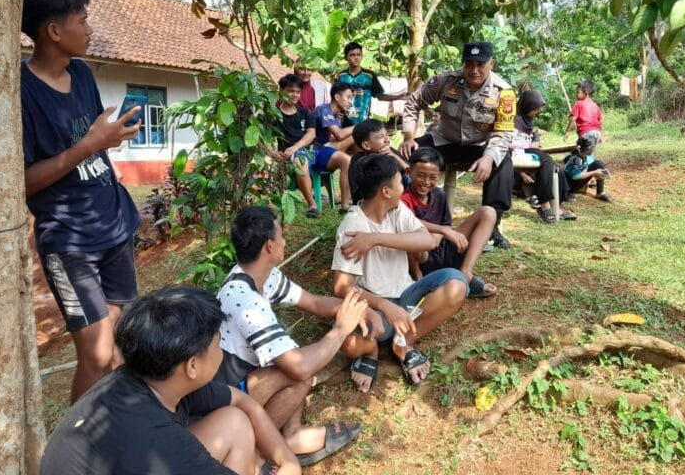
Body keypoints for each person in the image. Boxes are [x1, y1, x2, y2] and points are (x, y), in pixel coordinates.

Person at [21, 0, 142, 402]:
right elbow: (23, 181)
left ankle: (113, 426)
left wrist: (105, 141)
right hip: (70, 240)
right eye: (83, 20)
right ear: (54, 31)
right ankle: (77, 438)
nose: (90, 29)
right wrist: (89, 145)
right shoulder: (21, 91)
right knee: (97, 354)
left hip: (114, 223)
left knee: (114, 342)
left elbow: (93, 140)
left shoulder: (83, 74)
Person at [40, 286, 301, 475]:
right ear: (192, 366)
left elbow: (242, 400)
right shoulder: (163, 445)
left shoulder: (155, 375)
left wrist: (288, 461)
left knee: (234, 422)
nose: (221, 351)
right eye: (218, 344)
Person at [215, 206, 370, 466]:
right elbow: (300, 368)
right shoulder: (244, 299)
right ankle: (257, 454)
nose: (285, 242)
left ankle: (291, 434)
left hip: (246, 382)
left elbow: (314, 303)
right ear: (269, 246)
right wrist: (341, 329)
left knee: (294, 357)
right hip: (226, 401)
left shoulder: (262, 276)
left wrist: (357, 307)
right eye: (281, 236)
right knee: (299, 370)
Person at [332, 155, 468, 393]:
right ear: (386, 191)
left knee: (456, 283)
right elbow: (342, 287)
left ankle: (403, 343)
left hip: (407, 295)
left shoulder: (397, 210)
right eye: (400, 183)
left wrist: (376, 239)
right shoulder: (352, 227)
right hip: (375, 309)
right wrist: (384, 305)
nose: (404, 188)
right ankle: (371, 351)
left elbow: (427, 241)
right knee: (348, 343)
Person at [398, 41, 516, 249]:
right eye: (469, 64)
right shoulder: (446, 80)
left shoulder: (504, 92)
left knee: (502, 162)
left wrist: (489, 157)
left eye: (480, 65)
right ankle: (403, 213)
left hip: (480, 146)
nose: (474, 70)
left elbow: (503, 133)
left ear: (491, 64)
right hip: (444, 140)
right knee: (405, 156)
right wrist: (409, 136)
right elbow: (413, 102)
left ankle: (492, 225)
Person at [401, 147, 498, 297]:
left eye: (432, 177)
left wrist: (440, 234)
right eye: (421, 175)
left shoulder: (438, 194)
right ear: (409, 172)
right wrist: (442, 231)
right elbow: (406, 221)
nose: (426, 182)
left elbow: (446, 224)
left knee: (488, 212)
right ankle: (418, 279)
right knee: (413, 238)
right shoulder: (403, 198)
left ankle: (465, 272)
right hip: (421, 257)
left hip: (442, 247)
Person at [512, 89, 576, 222]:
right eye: (535, 109)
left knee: (557, 169)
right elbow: (509, 143)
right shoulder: (515, 121)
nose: (537, 112)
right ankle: (545, 206)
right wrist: (529, 145)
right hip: (518, 153)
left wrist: (535, 140)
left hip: (528, 151)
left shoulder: (528, 121)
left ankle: (556, 207)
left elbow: (529, 139)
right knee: (547, 161)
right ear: (527, 106)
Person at [273, 73, 319, 218]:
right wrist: (272, 152)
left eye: (298, 92)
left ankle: (312, 205)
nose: (295, 95)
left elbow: (311, 134)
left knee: (300, 160)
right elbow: (264, 137)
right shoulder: (273, 114)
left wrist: (295, 147)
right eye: (290, 91)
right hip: (282, 156)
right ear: (281, 91)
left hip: (305, 152)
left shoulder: (305, 112)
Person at [312, 81, 356, 210]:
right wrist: (358, 127)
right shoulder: (324, 109)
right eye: (348, 97)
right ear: (337, 97)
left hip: (325, 149)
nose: (350, 102)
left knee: (358, 151)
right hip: (314, 152)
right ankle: (345, 203)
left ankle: (353, 196)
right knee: (355, 138)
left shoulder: (338, 116)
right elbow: (340, 135)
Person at [335, 42, 400, 124]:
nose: (356, 58)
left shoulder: (369, 75)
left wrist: (400, 96)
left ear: (362, 56)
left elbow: (380, 96)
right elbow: (335, 98)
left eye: (358, 55)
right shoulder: (341, 76)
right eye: (352, 55)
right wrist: (336, 110)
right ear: (346, 58)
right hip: (343, 122)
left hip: (363, 122)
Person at [348, 118, 409, 203]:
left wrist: (395, 157)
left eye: (387, 135)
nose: (387, 140)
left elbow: (411, 173)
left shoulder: (391, 152)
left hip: (399, 199)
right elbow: (358, 193)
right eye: (380, 137)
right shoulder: (358, 160)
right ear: (366, 146)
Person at [563, 135, 614, 202]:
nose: (594, 148)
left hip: (575, 181)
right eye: (594, 147)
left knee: (598, 164)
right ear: (589, 148)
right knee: (597, 167)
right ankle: (569, 192)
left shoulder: (585, 154)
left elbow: (587, 167)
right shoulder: (577, 159)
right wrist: (594, 172)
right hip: (569, 184)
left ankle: (600, 193)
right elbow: (575, 176)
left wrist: (591, 178)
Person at [563, 79, 603, 148]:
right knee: (589, 150)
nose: (576, 95)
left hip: (586, 133)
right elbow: (600, 121)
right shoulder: (595, 105)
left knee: (581, 150)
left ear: (586, 93)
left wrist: (567, 132)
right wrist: (601, 135)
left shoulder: (579, 104)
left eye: (578, 92)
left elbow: (572, 119)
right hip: (597, 133)